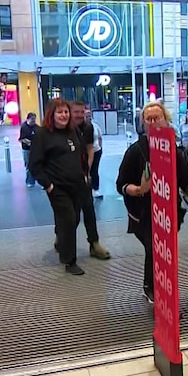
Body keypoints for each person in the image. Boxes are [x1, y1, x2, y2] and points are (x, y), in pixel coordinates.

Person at [117, 101, 188, 303]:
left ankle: (161, 287)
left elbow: (186, 181)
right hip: (142, 213)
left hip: (168, 212)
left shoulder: (174, 150)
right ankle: (152, 287)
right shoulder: (135, 151)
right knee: (154, 248)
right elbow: (121, 184)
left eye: (157, 117)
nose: (153, 122)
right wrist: (139, 190)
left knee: (164, 251)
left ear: (166, 120)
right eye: (148, 119)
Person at [29, 99, 90, 276]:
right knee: (68, 219)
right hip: (58, 188)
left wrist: (85, 174)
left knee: (74, 220)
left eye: (66, 112)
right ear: (52, 115)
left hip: (77, 185)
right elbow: (35, 165)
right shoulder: (42, 135)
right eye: (60, 112)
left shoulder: (74, 131)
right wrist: (48, 186)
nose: (64, 115)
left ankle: (61, 241)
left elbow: (83, 154)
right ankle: (70, 261)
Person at [70, 101, 111, 260]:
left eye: (82, 112)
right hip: (65, 178)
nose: (80, 115)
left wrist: (85, 172)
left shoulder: (88, 127)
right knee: (70, 214)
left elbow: (90, 149)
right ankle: (62, 240)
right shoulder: (63, 129)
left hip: (82, 176)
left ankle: (94, 243)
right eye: (76, 112)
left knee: (89, 210)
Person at [85, 109, 105, 199]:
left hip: (96, 150)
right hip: (85, 153)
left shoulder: (95, 126)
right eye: (86, 115)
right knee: (86, 170)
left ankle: (95, 189)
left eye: (89, 115)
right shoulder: (81, 128)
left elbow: (100, 137)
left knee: (94, 170)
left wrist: (101, 148)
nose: (88, 117)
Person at [19, 112, 38, 188]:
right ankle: (30, 181)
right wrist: (29, 143)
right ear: (28, 119)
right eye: (32, 120)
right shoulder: (24, 127)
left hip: (36, 149)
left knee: (37, 164)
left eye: (34, 119)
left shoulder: (36, 127)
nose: (33, 121)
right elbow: (22, 138)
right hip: (27, 149)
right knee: (29, 165)